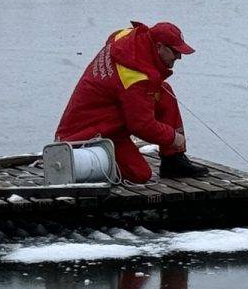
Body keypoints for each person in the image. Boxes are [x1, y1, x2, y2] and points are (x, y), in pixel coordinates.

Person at [54, 20, 209, 182]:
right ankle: (84, 161)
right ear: (159, 47)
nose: (179, 57)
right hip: (87, 136)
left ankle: (173, 160)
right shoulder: (135, 79)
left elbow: (113, 36)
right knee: (140, 174)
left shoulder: (128, 37)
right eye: (175, 52)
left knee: (165, 93)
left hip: (106, 119)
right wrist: (172, 137)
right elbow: (142, 125)